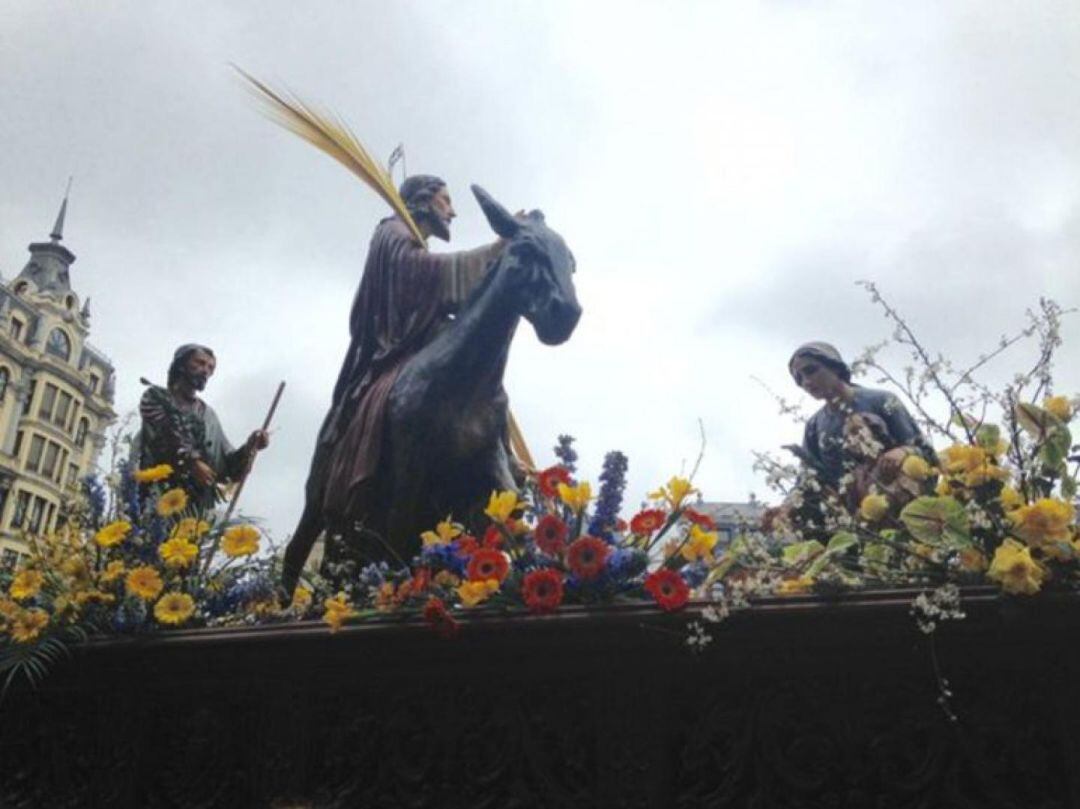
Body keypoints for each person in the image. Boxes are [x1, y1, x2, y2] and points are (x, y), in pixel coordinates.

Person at [283, 175, 505, 589]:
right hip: (391, 356)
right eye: (445, 201)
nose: (452, 211)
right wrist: (494, 254)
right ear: (421, 202)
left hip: (423, 348)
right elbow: (415, 275)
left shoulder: (411, 238)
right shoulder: (393, 232)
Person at [788, 342, 936, 510]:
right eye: (799, 378)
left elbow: (927, 453)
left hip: (905, 506)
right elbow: (808, 479)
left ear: (834, 367)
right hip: (855, 522)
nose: (806, 381)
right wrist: (786, 508)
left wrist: (903, 452)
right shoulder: (814, 426)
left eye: (811, 370)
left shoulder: (882, 401)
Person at [136, 344, 269, 511]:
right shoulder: (156, 396)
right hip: (158, 501)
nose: (205, 370)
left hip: (196, 510)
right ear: (181, 365)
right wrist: (192, 462)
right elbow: (164, 433)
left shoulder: (208, 416)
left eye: (210, 368)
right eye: (199, 363)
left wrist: (250, 446)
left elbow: (226, 468)